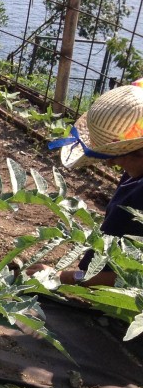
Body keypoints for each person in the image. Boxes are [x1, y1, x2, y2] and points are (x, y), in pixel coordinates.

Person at [33, 80, 143, 287]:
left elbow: (134, 280)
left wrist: (62, 277)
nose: (110, 161)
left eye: (118, 153)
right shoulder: (135, 171)